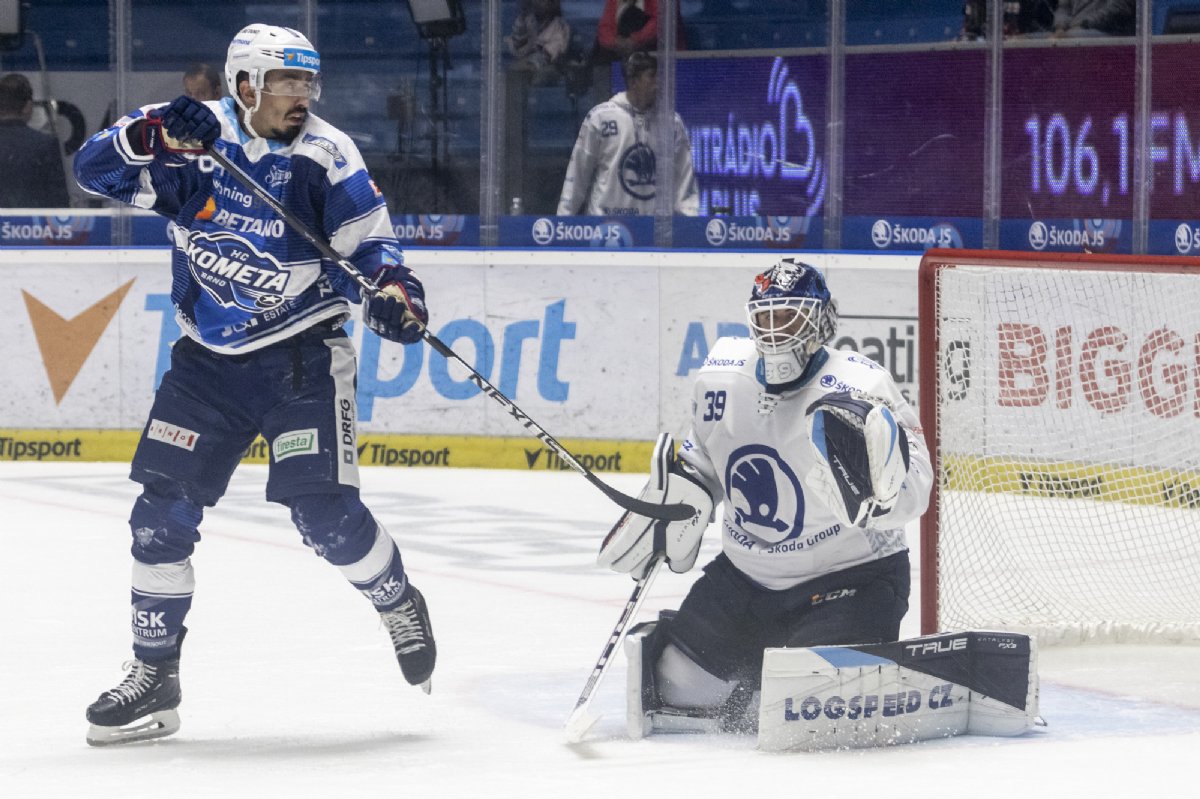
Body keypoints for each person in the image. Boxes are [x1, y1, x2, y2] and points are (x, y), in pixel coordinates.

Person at [73, 23, 435, 746]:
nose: (301, 96)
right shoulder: (190, 145)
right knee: (159, 516)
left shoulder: (327, 158)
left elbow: (375, 249)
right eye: (285, 83)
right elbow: (93, 170)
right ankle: (155, 674)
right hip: (205, 363)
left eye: (308, 83)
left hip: (301, 357)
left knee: (324, 516)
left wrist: (398, 295)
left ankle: (397, 599)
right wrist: (150, 134)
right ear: (245, 85)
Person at [597, 258, 933, 734]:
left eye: (790, 315)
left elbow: (917, 486)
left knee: (802, 703)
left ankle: (779, 669)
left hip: (851, 580)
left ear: (822, 319)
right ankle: (763, 666)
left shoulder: (861, 386)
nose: (776, 331)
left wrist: (881, 496)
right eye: (766, 317)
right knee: (674, 682)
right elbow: (702, 463)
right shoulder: (721, 377)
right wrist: (677, 500)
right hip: (747, 579)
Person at [557, 51, 698, 216]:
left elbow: (684, 178)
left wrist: (689, 224)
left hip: (653, 230)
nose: (658, 83)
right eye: (651, 76)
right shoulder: (600, 118)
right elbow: (578, 174)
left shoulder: (671, 123)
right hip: (606, 229)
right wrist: (563, 221)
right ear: (633, 81)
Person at [0, 73, 70, 208]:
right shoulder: (45, 145)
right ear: (27, 106)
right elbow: (59, 202)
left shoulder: (45, 144)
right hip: (34, 227)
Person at [593, 0, 688, 64]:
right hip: (622, 53)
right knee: (600, 51)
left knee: (632, 16)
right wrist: (615, 42)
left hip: (659, 55)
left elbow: (661, 21)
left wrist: (635, 40)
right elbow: (604, 28)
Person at [506, 0, 572, 83]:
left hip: (547, 75)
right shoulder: (526, 20)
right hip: (522, 73)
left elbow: (548, 54)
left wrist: (530, 63)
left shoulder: (560, 27)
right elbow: (517, 47)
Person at [1052, 0, 1135, 37]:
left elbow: (1119, 7)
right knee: (1041, 38)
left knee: (1072, 36)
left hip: (1104, 31)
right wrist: (1060, 27)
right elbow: (1063, 8)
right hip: (1072, 30)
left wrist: (1084, 24)